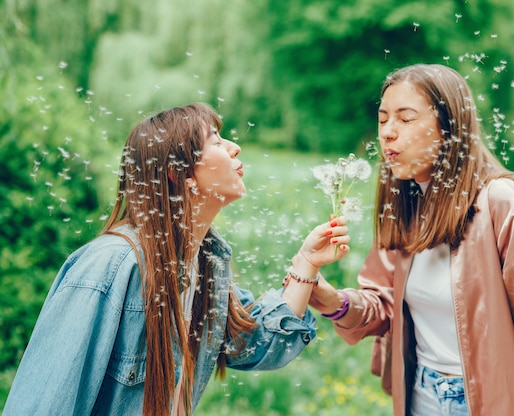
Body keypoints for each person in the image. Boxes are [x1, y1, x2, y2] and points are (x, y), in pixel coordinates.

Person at [4, 102, 351, 415]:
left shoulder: (205, 266)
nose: (234, 147)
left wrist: (307, 262)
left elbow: (258, 344)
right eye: (216, 141)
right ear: (178, 173)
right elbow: (44, 403)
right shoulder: (108, 268)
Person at [308, 64, 514, 415]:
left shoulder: (506, 205)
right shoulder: (405, 206)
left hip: (492, 404)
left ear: (449, 128)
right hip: (420, 397)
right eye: (383, 119)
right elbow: (383, 303)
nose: (388, 133)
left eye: (406, 118)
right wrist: (330, 299)